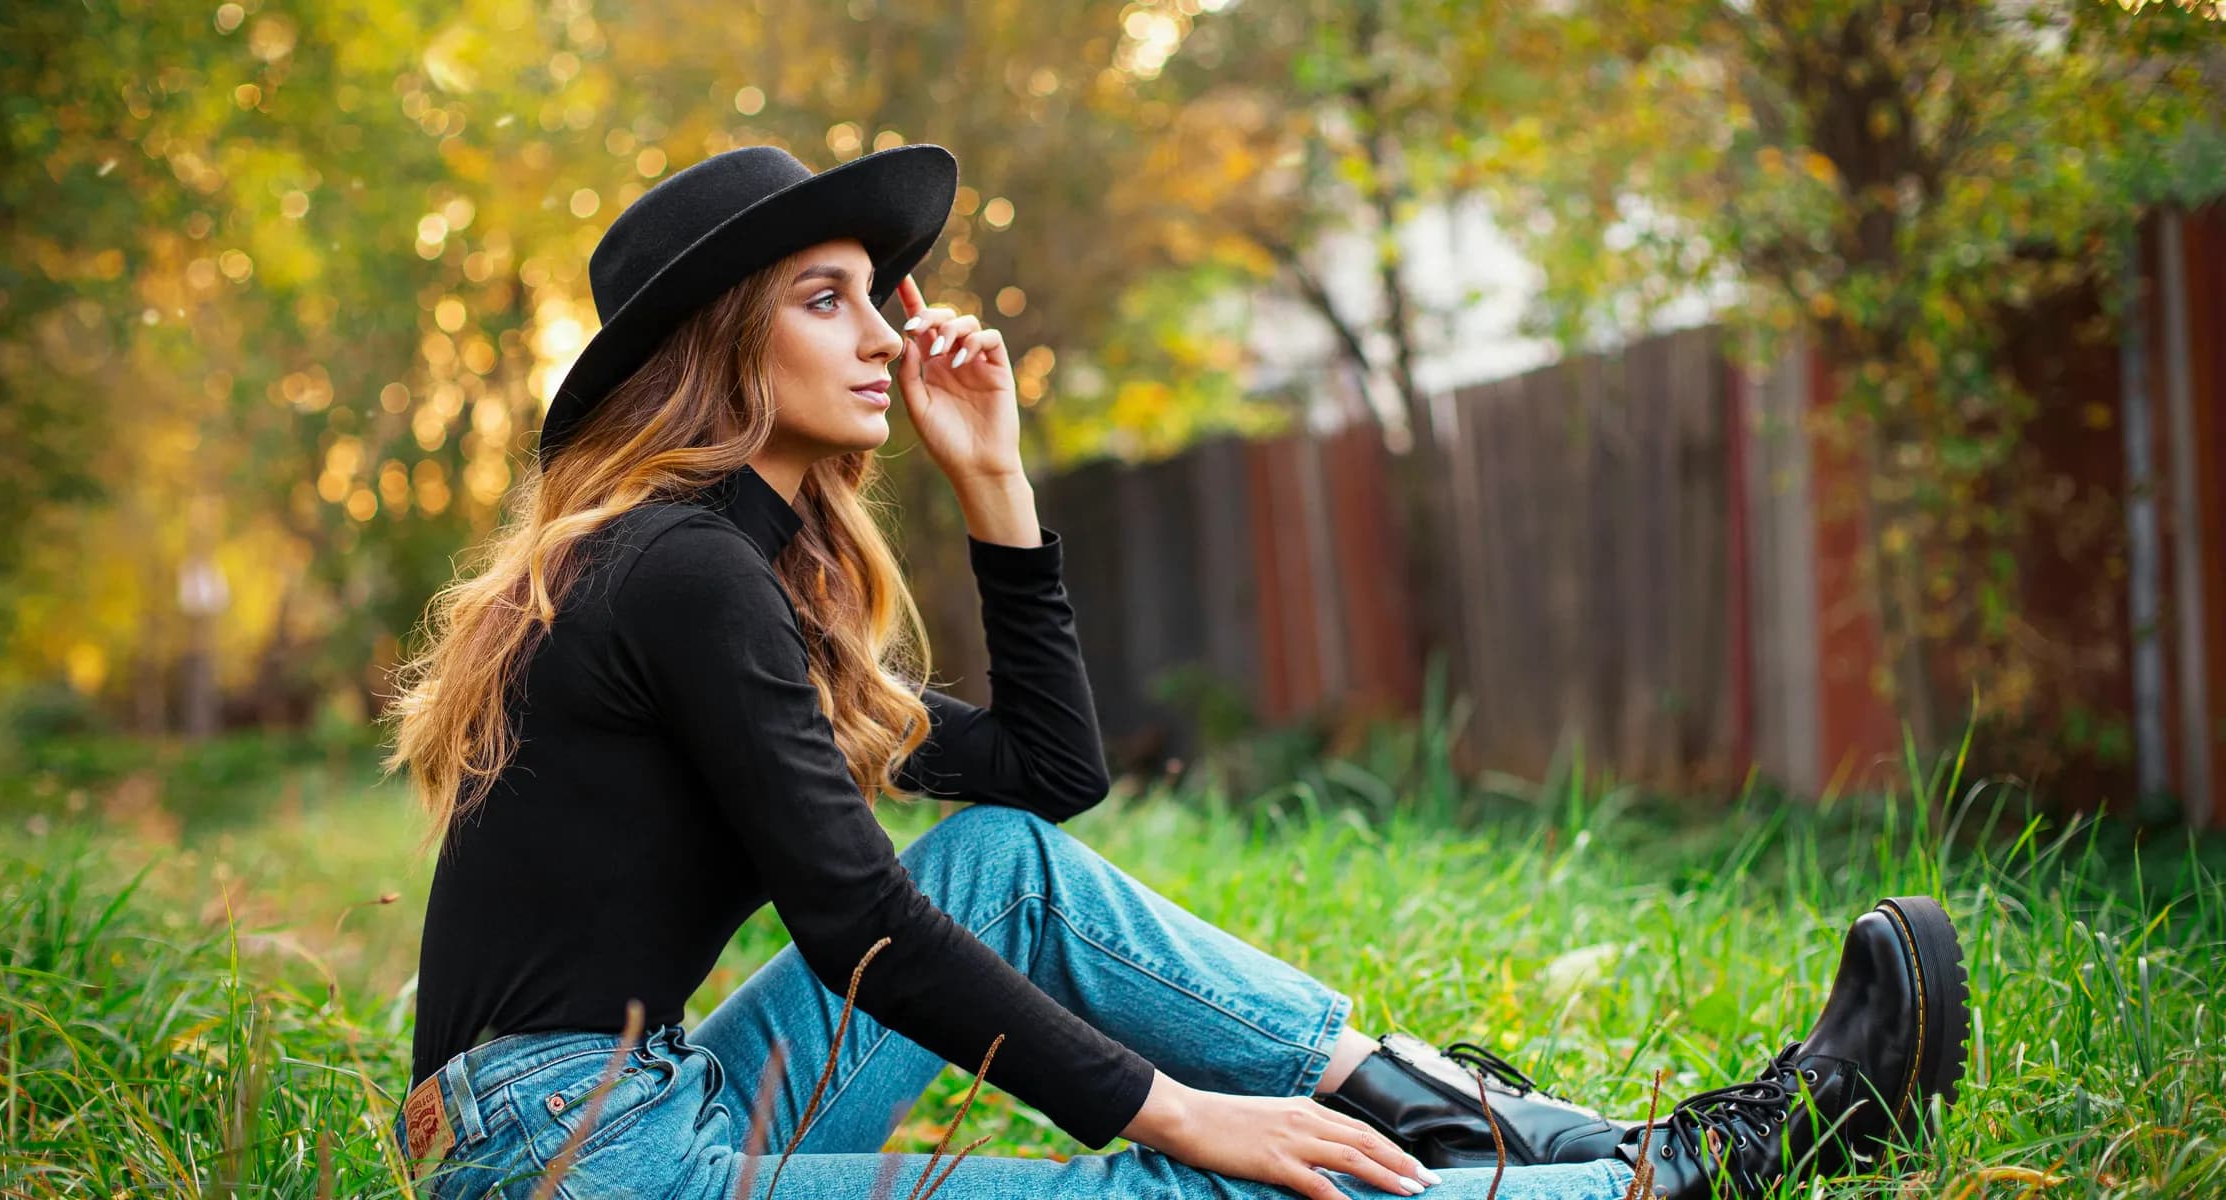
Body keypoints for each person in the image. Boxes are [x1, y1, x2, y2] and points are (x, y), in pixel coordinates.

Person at [380, 143, 1970, 1200]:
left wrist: (995, 480)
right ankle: (1674, 1178)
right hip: (571, 1159)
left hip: (630, 1104)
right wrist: (1167, 1104)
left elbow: (1049, 788)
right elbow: (862, 925)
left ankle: (1492, 1131)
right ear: (718, 349)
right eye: (824, 299)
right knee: (1186, 1183)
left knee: (1004, 861)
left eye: (877, 294)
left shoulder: (723, 577)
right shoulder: (681, 573)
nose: (878, 335)